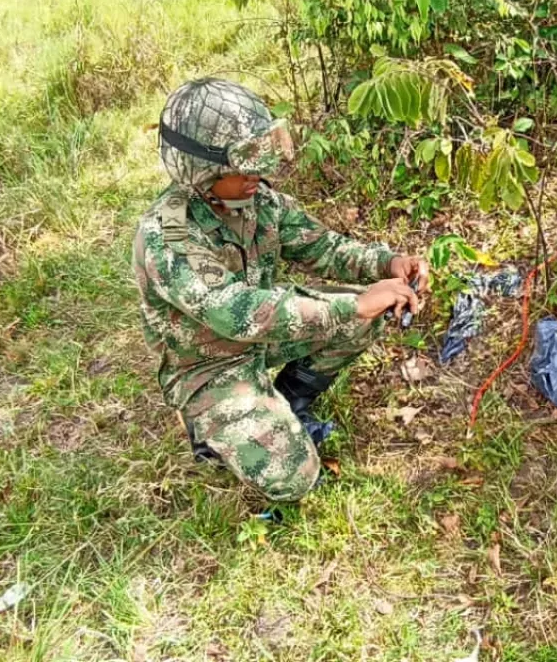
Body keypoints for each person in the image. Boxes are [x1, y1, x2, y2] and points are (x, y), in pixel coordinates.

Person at [132, 78, 429, 501]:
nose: (258, 174)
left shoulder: (257, 202)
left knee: (366, 316)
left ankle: (289, 401)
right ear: (201, 170)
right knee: (294, 478)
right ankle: (208, 427)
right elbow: (237, 311)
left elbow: (322, 247)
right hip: (208, 365)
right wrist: (353, 305)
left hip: (263, 339)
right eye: (243, 166)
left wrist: (387, 263)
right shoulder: (169, 239)